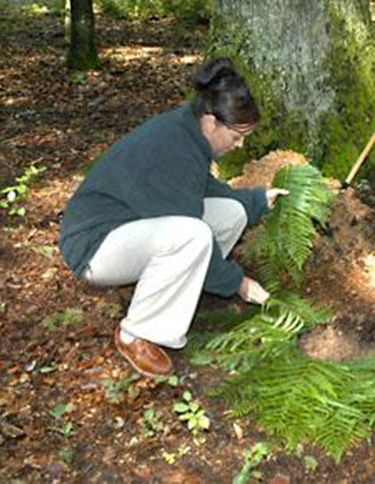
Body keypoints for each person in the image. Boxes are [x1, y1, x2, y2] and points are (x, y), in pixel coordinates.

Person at [60, 59, 288, 378]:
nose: (241, 145)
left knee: (231, 214)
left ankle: (176, 288)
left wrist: (256, 201)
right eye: (237, 136)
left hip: (129, 228)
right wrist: (239, 284)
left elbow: (207, 190)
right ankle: (137, 333)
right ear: (211, 122)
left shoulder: (188, 132)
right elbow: (195, 231)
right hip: (94, 248)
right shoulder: (175, 147)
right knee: (192, 235)